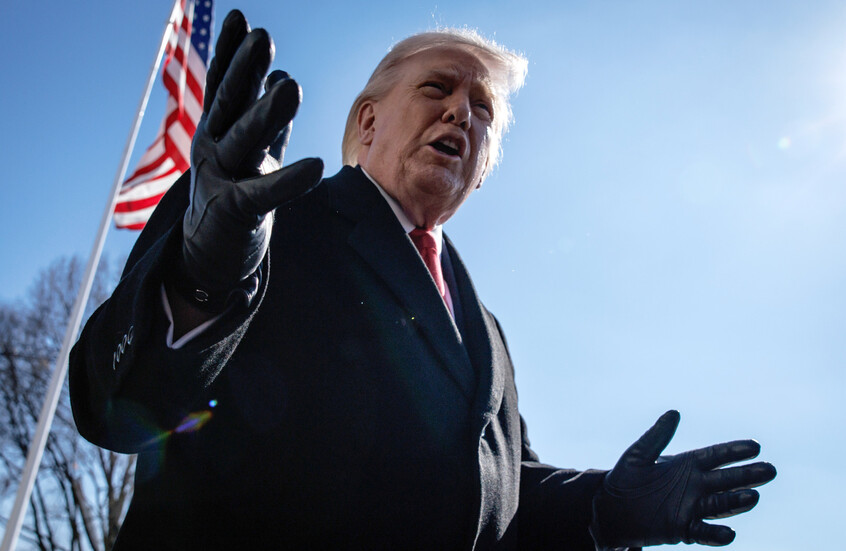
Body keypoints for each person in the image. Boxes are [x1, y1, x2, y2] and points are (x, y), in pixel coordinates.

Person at [70, 10, 776, 550]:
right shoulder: (254, 216)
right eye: (438, 87)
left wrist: (603, 510)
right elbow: (117, 407)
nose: (460, 112)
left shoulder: (486, 330)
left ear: (483, 165)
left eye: (482, 111)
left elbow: (501, 494)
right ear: (368, 122)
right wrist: (204, 277)